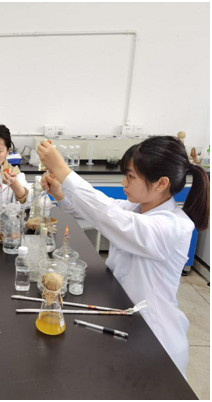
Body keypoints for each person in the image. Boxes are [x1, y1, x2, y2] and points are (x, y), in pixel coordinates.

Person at [37, 136, 210, 377]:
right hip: (125, 315)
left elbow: (110, 216)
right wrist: (60, 193)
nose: (124, 182)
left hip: (154, 336)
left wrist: (63, 170)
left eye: (131, 176)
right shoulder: (137, 208)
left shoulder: (173, 226)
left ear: (161, 183)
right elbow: (100, 209)